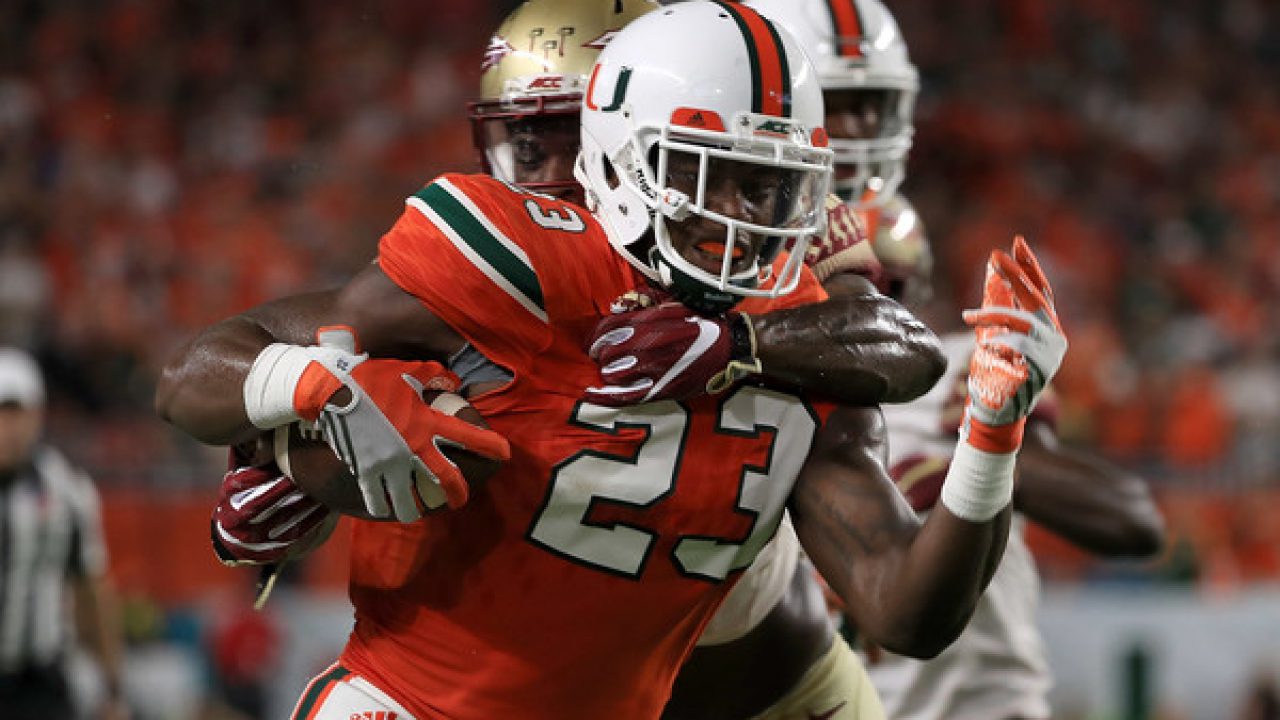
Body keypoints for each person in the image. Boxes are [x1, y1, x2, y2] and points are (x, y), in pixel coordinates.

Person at [157, 3, 1066, 718]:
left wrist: (991, 439)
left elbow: (907, 607)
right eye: (714, 175)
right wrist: (313, 404)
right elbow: (201, 376)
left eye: (770, 183)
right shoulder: (514, 259)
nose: (746, 214)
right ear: (624, 154)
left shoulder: (805, 322)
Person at [737, 2, 1164, 716]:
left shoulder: (961, 371)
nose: (870, 313)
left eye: (885, 290)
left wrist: (983, 449)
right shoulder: (735, 373)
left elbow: (1135, 521)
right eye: (845, 288)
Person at [0, 347, 130, 720]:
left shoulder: (65, 489)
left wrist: (112, 686)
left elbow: (91, 588)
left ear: (36, 415)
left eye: (15, 413)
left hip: (38, 681)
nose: (7, 427)